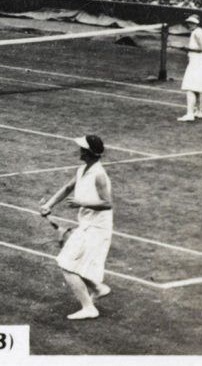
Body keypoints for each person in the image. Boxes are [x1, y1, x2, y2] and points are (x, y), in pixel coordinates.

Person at [40, 135, 113, 320]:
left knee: (66, 264)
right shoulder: (82, 170)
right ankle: (98, 288)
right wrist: (49, 204)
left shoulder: (99, 174)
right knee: (72, 263)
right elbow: (67, 188)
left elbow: (107, 203)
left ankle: (89, 308)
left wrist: (82, 202)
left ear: (88, 153)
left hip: (97, 228)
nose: (79, 151)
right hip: (87, 225)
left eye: (82, 148)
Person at [176, 14, 202, 122]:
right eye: (189, 22)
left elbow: (201, 49)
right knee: (197, 88)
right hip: (199, 62)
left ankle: (190, 114)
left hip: (197, 64)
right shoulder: (198, 32)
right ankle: (199, 111)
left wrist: (184, 47)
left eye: (192, 23)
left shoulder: (197, 33)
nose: (189, 24)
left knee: (190, 88)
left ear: (197, 23)